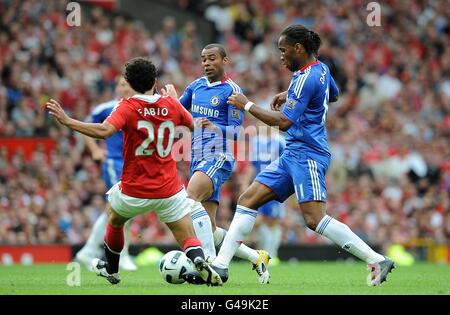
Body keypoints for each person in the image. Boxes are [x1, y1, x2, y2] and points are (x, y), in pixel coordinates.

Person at [212, 25, 395, 286]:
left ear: (298, 48)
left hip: (308, 154)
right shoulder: (321, 69)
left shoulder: (306, 77)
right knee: (248, 199)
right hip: (293, 153)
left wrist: (247, 104)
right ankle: (221, 266)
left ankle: (375, 259)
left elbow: (285, 122)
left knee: (314, 219)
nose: (281, 56)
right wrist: (293, 95)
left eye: (283, 50)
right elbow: (334, 94)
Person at [46, 57, 222, 286]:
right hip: (168, 189)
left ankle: (112, 269)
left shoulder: (127, 105)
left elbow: (104, 130)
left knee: (115, 219)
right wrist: (175, 101)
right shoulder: (170, 104)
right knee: (186, 234)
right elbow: (192, 125)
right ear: (155, 80)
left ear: (128, 82)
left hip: (134, 189)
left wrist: (68, 121)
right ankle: (200, 262)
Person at [163, 43, 270, 284]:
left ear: (225, 61)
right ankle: (257, 257)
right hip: (197, 158)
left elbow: (237, 132)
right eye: (203, 59)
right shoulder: (196, 86)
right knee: (209, 228)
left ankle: (210, 263)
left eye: (212, 58)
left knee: (190, 199)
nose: (207, 63)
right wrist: (169, 101)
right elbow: (178, 113)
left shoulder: (231, 90)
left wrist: (214, 127)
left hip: (218, 157)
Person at [75, 76, 137, 272]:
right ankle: (123, 255)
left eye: (126, 85)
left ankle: (88, 250)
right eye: (119, 84)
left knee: (118, 210)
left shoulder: (138, 108)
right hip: (114, 162)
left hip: (132, 165)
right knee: (122, 208)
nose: (122, 88)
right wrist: (94, 150)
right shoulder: (106, 108)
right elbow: (85, 127)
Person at [247, 124, 286, 265]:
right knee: (259, 221)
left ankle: (271, 255)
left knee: (273, 220)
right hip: (259, 184)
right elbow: (252, 165)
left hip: (276, 183)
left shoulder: (281, 141)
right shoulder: (256, 141)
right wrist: (247, 184)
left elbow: (287, 163)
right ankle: (265, 254)